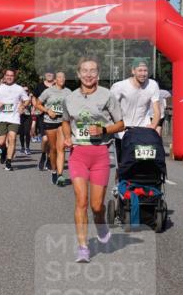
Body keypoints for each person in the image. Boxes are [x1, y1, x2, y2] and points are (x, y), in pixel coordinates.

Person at [61, 57, 124, 263]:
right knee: (81, 201)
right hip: (78, 154)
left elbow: (121, 124)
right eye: (84, 71)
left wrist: (104, 130)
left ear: (98, 74)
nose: (88, 74)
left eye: (93, 71)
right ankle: (83, 247)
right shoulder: (69, 98)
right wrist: (68, 137)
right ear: (78, 74)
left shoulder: (107, 96)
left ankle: (101, 224)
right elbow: (65, 121)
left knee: (97, 206)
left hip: (100, 154)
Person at [0, 69, 30, 172]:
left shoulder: (19, 88)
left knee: (12, 138)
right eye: (7, 75)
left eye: (11, 75)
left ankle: (9, 162)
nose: (9, 77)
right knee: (1, 142)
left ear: (14, 77)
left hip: (14, 117)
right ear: (4, 76)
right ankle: (3, 151)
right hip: (2, 118)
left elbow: (27, 99)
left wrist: (23, 106)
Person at [36, 70, 71, 186]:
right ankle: (54, 171)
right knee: (53, 148)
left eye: (64, 77)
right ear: (55, 80)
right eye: (60, 77)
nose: (62, 79)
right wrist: (47, 111)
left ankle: (60, 175)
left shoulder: (68, 92)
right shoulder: (48, 91)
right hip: (50, 121)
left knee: (61, 148)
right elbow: (37, 103)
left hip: (63, 122)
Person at [37, 71, 55, 170]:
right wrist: (39, 108)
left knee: (53, 142)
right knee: (45, 139)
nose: (49, 74)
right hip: (44, 116)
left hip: (57, 118)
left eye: (51, 73)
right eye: (47, 73)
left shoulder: (58, 86)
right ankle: (43, 154)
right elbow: (35, 99)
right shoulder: (40, 86)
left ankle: (49, 159)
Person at [18, 86, 34, 156]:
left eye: (27, 90)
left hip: (28, 116)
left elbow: (34, 105)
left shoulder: (30, 97)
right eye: (24, 91)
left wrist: (33, 110)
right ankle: (22, 147)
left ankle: (27, 147)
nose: (25, 92)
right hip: (21, 116)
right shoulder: (20, 97)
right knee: (21, 133)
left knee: (27, 132)